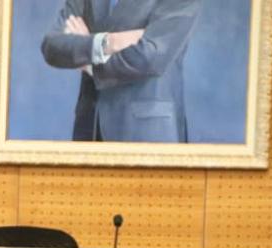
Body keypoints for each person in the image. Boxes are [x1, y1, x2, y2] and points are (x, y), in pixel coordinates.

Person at [41, 0, 202, 143]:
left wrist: (89, 61)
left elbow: (150, 57)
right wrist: (106, 42)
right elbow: (52, 46)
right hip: (89, 130)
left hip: (147, 135)